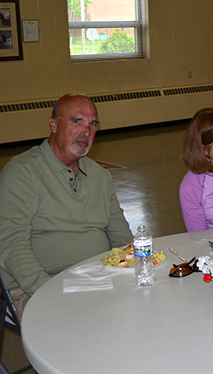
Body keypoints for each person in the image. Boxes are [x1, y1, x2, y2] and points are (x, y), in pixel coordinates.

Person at [0, 93, 133, 319]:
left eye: (92, 124)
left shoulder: (100, 176)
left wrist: (139, 270)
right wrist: (48, 291)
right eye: (76, 121)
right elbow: (11, 244)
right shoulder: (23, 172)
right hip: (36, 287)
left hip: (97, 279)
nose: (86, 131)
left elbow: (121, 237)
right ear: (53, 125)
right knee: (83, 324)